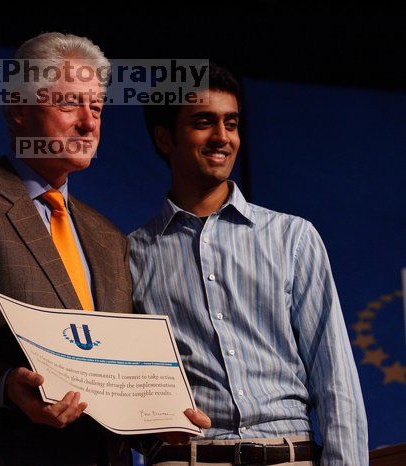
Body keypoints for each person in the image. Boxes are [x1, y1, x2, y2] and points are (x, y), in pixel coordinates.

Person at [0, 32, 208, 466]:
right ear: (19, 110)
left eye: (96, 108)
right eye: (70, 104)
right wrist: (1, 387)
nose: (89, 123)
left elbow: (114, 373)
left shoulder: (107, 237)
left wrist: (157, 424)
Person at [129, 63, 368, 465]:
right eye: (204, 122)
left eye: (231, 123)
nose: (222, 137)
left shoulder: (293, 237)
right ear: (165, 137)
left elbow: (335, 380)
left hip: (288, 453)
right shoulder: (132, 253)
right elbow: (125, 388)